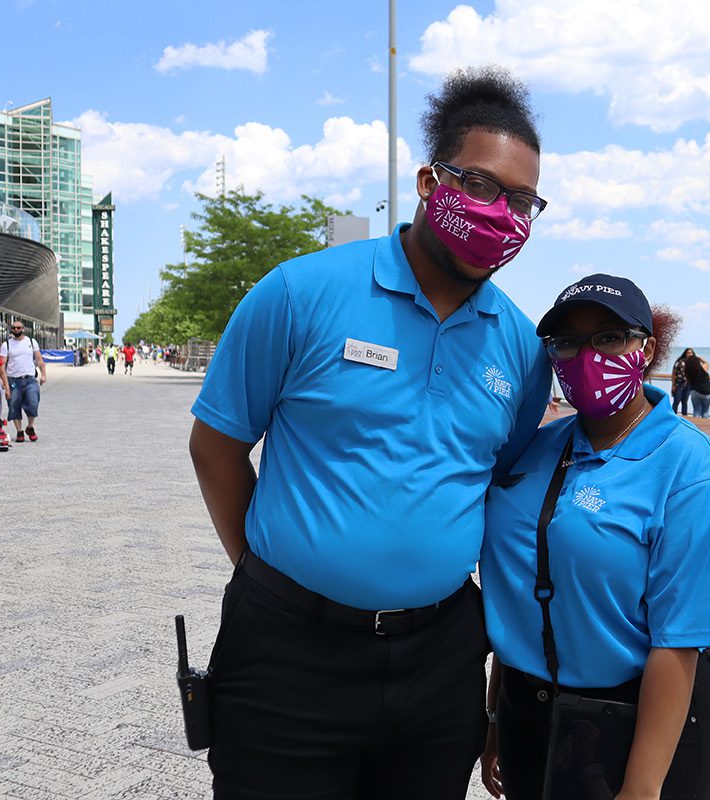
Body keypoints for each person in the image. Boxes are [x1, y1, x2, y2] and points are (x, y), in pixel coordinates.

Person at [189, 66, 550, 799]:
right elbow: (215, 446)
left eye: (520, 200)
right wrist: (270, 574)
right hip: (288, 653)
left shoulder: (519, 345)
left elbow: (497, 488)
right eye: (479, 185)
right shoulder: (299, 292)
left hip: (441, 661)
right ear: (428, 181)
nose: (499, 212)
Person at [480, 275, 710, 800]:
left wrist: (642, 786)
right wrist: (496, 715)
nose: (587, 354)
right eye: (568, 341)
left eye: (609, 336)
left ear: (645, 348)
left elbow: (681, 637)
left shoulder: (689, 469)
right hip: (527, 711)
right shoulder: (535, 449)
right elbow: (517, 595)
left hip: (632, 721)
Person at [0, 321, 45, 442]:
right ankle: (19, 431)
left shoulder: (31, 342)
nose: (16, 329)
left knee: (33, 403)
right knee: (14, 405)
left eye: (18, 327)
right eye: (13, 328)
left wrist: (43, 375)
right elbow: (2, 366)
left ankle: (30, 427)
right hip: (13, 379)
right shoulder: (6, 345)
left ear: (23, 329)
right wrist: (5, 384)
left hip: (30, 378)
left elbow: (39, 359)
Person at [684, 349, 710, 418]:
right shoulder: (703, 369)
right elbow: (706, 363)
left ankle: (696, 427)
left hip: (695, 392)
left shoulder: (688, 372)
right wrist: (699, 358)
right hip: (707, 392)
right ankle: (705, 427)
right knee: (705, 412)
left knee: (696, 412)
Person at [670, 348, 694, 415]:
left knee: (685, 401)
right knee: (677, 400)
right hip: (679, 383)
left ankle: (684, 416)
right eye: (688, 353)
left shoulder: (693, 363)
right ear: (685, 354)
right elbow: (674, 373)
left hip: (688, 384)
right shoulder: (680, 361)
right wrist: (673, 384)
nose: (690, 354)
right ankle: (673, 415)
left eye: (691, 353)